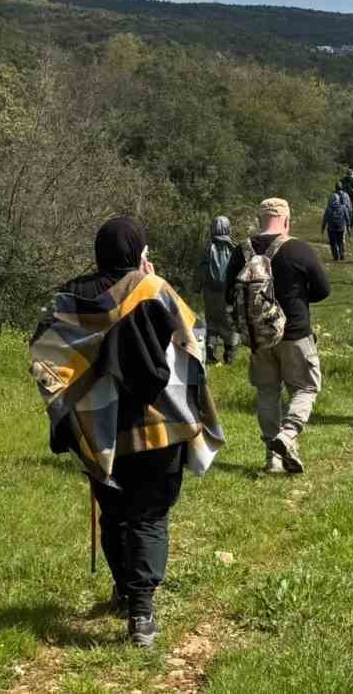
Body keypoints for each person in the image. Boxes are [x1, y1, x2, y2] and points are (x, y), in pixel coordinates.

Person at [30, 218, 225, 648]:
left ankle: (125, 591)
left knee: (115, 514)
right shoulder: (155, 290)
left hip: (100, 432)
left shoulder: (71, 297)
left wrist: (68, 408)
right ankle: (141, 612)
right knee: (149, 516)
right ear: (138, 251)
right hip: (160, 428)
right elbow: (193, 344)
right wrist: (150, 284)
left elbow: (44, 357)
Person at [225, 198, 331, 473]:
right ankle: (288, 434)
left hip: (259, 339)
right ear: (286, 221)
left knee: (267, 393)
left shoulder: (241, 251)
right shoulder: (298, 249)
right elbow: (323, 290)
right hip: (295, 333)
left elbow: (228, 293)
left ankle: (273, 458)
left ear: (260, 221)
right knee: (306, 387)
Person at [195, 216, 240, 365]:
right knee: (231, 323)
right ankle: (229, 356)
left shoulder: (207, 247)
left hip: (210, 292)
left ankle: (210, 349)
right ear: (228, 228)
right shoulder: (235, 246)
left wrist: (197, 287)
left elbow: (201, 270)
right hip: (229, 293)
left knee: (212, 321)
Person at [324, 187, 352, 261]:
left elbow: (325, 218)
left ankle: (335, 256)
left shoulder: (328, 208)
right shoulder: (343, 207)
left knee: (333, 243)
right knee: (340, 241)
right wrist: (348, 227)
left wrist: (323, 227)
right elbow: (347, 218)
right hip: (341, 227)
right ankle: (342, 254)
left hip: (331, 228)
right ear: (338, 199)